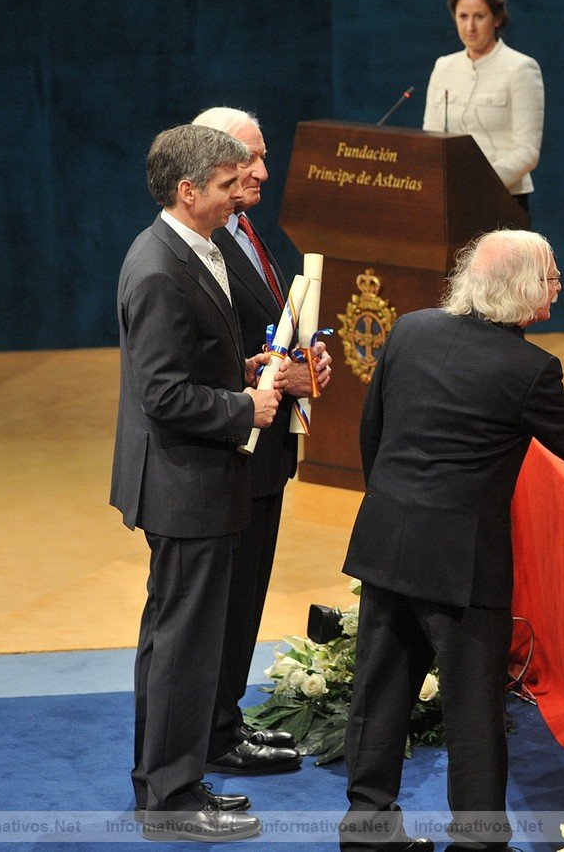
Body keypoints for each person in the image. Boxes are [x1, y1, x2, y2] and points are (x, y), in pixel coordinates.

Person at [338, 230, 564, 852]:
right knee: (473, 713)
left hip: (386, 544)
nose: (559, 286)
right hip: (464, 570)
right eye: (551, 277)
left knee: (380, 692)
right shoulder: (528, 368)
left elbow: (373, 436)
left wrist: (397, 512)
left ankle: (366, 830)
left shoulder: (411, 330)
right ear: (524, 290)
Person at [110, 124, 280, 841]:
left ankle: (166, 781)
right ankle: (172, 803)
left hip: (194, 480)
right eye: (223, 184)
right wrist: (247, 406)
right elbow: (163, 395)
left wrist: (235, 375)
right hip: (184, 485)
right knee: (183, 645)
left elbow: (189, 365)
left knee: (175, 640)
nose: (237, 193)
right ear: (188, 190)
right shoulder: (157, 267)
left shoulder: (190, 248)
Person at [192, 106, 334, 776]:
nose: (264, 171)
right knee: (223, 601)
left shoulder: (246, 228)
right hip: (229, 453)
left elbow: (267, 329)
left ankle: (226, 719)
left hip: (268, 448)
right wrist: (268, 373)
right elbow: (202, 362)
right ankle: (212, 736)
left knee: (247, 597)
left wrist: (305, 367)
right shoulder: (203, 244)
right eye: (251, 158)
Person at [422, 0, 544, 211]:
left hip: (503, 200)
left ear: (497, 19)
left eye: (479, 17)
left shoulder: (520, 68)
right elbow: (431, 140)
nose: (470, 27)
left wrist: (478, 185)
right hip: (450, 201)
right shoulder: (444, 66)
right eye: (463, 17)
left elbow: (527, 151)